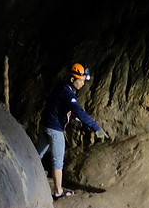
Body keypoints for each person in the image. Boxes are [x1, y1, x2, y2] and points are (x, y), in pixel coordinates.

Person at [37, 63, 107, 199]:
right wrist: (96, 128)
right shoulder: (68, 92)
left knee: (37, 155)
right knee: (57, 162)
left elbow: (65, 109)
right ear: (72, 79)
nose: (82, 84)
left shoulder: (61, 87)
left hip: (45, 125)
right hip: (55, 129)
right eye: (80, 80)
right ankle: (58, 191)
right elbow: (78, 111)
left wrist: (80, 124)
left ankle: (31, 180)